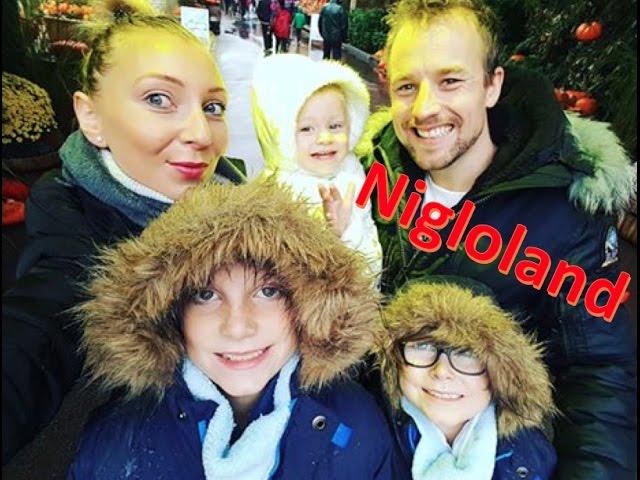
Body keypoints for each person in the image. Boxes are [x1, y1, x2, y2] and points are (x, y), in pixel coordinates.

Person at [358, 0, 637, 478]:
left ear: (492, 85)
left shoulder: (565, 211)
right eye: (407, 86)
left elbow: (597, 372)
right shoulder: (364, 174)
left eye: (450, 81)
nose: (425, 109)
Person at [2, 0, 246, 464]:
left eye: (213, 107)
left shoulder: (240, 203)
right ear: (90, 117)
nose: (201, 133)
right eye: (159, 99)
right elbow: (39, 328)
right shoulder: (75, 237)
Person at [67, 180, 394, 479]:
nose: (238, 327)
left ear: (310, 304)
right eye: (205, 295)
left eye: (268, 292)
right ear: (168, 313)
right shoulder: (114, 444)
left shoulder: (359, 427)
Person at [377, 278, 557, 479]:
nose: (442, 371)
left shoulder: (533, 456)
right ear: (393, 359)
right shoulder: (364, 437)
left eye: (466, 353)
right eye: (423, 346)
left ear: (500, 372)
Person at [251, 53, 382, 280]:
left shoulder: (352, 169)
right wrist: (334, 236)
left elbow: (368, 231)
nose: (324, 138)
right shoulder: (278, 194)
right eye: (306, 129)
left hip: (368, 285)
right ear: (280, 134)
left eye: (335, 126)